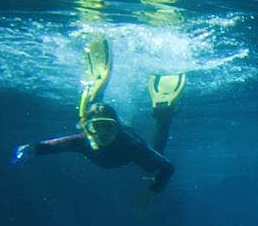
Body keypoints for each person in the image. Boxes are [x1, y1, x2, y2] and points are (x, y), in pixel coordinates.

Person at [13, 36, 185, 194]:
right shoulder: (82, 140)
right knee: (92, 113)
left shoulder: (131, 145)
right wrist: (31, 148)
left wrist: (149, 194)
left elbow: (167, 168)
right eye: (96, 127)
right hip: (101, 132)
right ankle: (93, 103)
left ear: (116, 128)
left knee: (153, 165)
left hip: (127, 141)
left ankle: (164, 115)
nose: (102, 134)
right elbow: (52, 146)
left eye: (108, 127)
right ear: (87, 129)